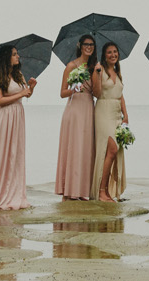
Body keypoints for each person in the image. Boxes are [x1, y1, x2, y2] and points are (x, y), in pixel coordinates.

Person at [0, 43, 37, 210]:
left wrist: (31, 88)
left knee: (14, 154)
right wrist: (21, 93)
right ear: (6, 57)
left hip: (17, 117)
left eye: (17, 54)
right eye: (14, 54)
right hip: (3, 118)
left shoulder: (18, 74)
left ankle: (13, 193)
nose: (18, 57)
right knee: (0, 156)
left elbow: (24, 94)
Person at [55, 35, 96, 200]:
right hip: (74, 108)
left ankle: (84, 189)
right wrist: (74, 88)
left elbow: (97, 91)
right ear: (80, 46)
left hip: (88, 107)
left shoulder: (95, 66)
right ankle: (70, 188)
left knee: (86, 147)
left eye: (92, 44)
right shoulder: (71, 66)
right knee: (74, 146)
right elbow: (62, 93)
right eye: (86, 44)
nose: (89, 47)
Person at [90, 42, 129, 202]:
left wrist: (125, 114)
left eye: (115, 52)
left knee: (115, 150)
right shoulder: (99, 70)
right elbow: (96, 93)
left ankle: (107, 190)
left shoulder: (117, 72)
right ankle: (100, 190)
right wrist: (97, 74)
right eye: (109, 52)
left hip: (116, 113)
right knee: (110, 149)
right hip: (103, 110)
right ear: (104, 55)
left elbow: (120, 95)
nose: (113, 55)